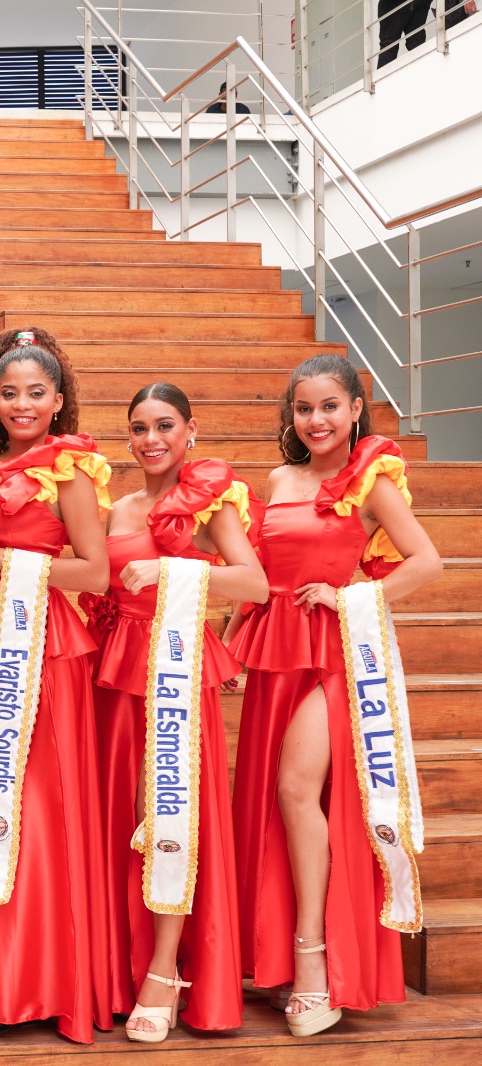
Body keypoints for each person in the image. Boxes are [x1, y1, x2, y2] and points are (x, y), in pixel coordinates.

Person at [229, 354, 441, 1036]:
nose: (315, 419)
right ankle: (281, 957)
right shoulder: (278, 478)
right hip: (273, 651)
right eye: (303, 408)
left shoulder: (371, 480)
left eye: (328, 406)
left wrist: (354, 596)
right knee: (273, 797)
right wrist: (230, 644)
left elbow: (427, 562)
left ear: (355, 408)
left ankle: (315, 961)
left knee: (297, 789)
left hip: (337, 651)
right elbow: (258, 573)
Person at [83, 381, 264, 1042]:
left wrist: (172, 576)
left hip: (178, 676)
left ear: (192, 429)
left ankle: (163, 972)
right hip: (116, 671)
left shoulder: (210, 505)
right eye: (139, 428)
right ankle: (116, 970)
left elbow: (255, 583)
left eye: (164, 425)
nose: (151, 440)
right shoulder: (118, 508)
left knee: (170, 814)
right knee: (120, 820)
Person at [0, 334, 115, 1042]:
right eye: (9, 392)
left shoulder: (70, 470)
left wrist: (10, 561)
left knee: (40, 807)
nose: (22, 404)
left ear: (57, 400)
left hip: (45, 647)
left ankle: (46, 980)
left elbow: (95, 572)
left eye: (35, 393)